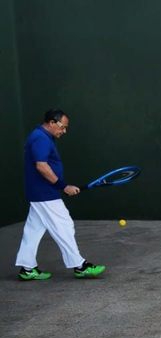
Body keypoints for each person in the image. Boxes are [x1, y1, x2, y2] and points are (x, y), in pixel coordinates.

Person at [15, 109, 106, 281]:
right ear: (51, 122)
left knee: (33, 231)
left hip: (40, 193)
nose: (64, 131)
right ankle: (80, 266)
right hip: (45, 194)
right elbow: (41, 166)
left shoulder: (41, 136)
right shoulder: (40, 138)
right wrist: (63, 186)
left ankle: (27, 268)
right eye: (62, 127)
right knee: (64, 226)